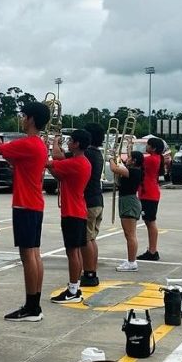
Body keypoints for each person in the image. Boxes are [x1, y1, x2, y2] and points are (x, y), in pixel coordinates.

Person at [0, 101, 50, 322]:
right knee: (34, 253)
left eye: (24, 116)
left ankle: (31, 306)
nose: (22, 119)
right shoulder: (38, 144)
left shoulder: (28, 143)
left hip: (25, 204)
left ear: (31, 119)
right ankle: (34, 303)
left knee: (27, 256)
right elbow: (10, 156)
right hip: (35, 203)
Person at [46, 129, 92, 304]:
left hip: (72, 213)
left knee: (72, 252)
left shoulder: (76, 162)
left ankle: (73, 290)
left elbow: (48, 164)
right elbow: (58, 173)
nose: (68, 143)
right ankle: (75, 287)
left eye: (71, 140)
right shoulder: (81, 162)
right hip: (77, 211)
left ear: (77, 144)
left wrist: (46, 147)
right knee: (75, 252)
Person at [109, 149, 144, 271]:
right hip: (127, 201)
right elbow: (121, 165)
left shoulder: (133, 171)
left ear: (134, 161)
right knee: (128, 234)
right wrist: (116, 156)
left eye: (129, 158)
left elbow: (114, 168)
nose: (127, 159)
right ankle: (130, 259)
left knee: (130, 235)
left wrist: (110, 158)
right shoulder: (134, 170)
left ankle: (132, 262)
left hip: (129, 202)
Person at [80, 123, 105, 288]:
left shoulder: (87, 153)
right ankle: (91, 271)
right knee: (91, 238)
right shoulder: (97, 153)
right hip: (97, 200)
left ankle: (89, 273)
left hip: (88, 201)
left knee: (85, 239)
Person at [137, 137, 165, 261]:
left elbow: (136, 163)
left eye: (148, 145)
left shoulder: (151, 160)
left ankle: (153, 250)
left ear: (153, 148)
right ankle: (152, 249)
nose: (146, 147)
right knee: (149, 221)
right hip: (149, 193)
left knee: (150, 222)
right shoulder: (156, 158)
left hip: (149, 194)